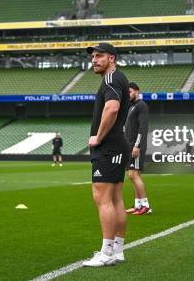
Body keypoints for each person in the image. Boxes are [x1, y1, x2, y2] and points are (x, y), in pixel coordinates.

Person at [82, 43, 131, 267]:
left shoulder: (112, 79)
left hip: (108, 146)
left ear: (111, 58)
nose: (94, 60)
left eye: (99, 56)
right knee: (115, 198)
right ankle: (117, 250)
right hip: (117, 145)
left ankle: (106, 252)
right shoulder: (118, 78)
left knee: (103, 199)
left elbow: (111, 108)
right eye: (93, 56)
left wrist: (98, 137)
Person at [124, 82, 152, 215]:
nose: (128, 94)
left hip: (135, 146)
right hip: (129, 145)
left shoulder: (141, 106)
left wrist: (137, 145)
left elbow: (143, 127)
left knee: (132, 175)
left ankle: (146, 206)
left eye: (129, 92)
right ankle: (138, 205)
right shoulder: (131, 107)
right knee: (135, 176)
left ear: (137, 91)